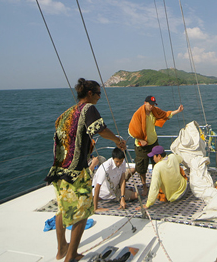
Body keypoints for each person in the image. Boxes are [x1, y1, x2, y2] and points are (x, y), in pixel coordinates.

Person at [44, 78, 126, 262]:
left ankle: (61, 249)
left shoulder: (65, 114)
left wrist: (86, 144)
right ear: (89, 93)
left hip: (58, 171)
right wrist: (117, 141)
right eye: (98, 93)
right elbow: (101, 130)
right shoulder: (88, 108)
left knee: (62, 209)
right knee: (82, 213)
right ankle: (71, 256)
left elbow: (66, 139)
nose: (99, 97)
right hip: (75, 173)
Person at [128, 95, 183, 195]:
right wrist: (141, 140)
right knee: (142, 168)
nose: (152, 106)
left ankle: (157, 185)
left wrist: (178, 111)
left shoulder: (154, 111)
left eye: (153, 105)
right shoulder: (138, 114)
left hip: (153, 143)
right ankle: (144, 186)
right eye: (150, 104)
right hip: (141, 146)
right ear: (145, 103)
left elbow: (165, 115)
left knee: (158, 164)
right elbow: (131, 130)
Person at [92, 147, 137, 212]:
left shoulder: (123, 162)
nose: (119, 163)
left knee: (132, 170)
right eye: (117, 161)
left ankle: (123, 191)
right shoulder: (106, 168)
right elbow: (97, 187)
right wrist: (95, 208)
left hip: (116, 183)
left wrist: (123, 198)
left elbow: (123, 179)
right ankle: (122, 192)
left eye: (121, 161)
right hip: (108, 192)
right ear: (113, 159)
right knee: (136, 195)